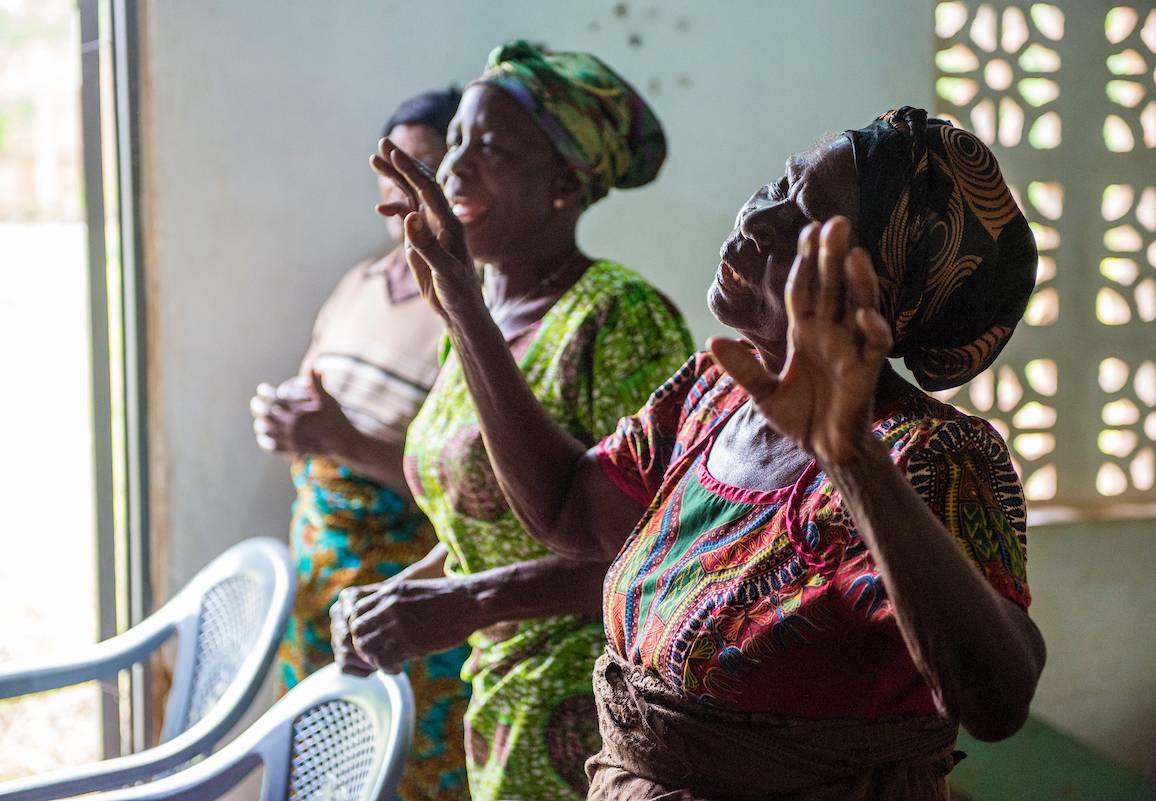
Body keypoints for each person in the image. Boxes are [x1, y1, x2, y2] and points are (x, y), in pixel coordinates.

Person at [360, 106, 1046, 800]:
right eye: (781, 183)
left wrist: (851, 461)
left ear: (872, 291)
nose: (757, 217)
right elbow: (570, 507)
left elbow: (996, 698)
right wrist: (461, 297)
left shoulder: (928, 455)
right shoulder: (716, 389)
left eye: (806, 220)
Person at [332, 41, 693, 801]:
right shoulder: (478, 310)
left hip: (590, 715)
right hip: (499, 700)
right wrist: (399, 597)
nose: (456, 168)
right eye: (456, 139)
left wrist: (468, 602)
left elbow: (659, 558)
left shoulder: (618, 315)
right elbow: (487, 527)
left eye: (491, 148)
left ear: (565, 182)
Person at [249, 88, 475, 801]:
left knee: (406, 774)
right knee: (318, 768)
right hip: (322, 580)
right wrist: (289, 424)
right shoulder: (360, 286)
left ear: (459, 175)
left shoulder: (476, 307)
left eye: (424, 164)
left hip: (405, 591)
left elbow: (474, 490)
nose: (399, 184)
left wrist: (344, 439)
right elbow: (320, 406)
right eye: (390, 165)